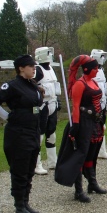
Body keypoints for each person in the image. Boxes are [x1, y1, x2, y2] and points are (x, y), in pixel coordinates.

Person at [0, 54, 43, 213]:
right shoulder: (12, 86)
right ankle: (19, 206)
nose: (34, 68)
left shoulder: (32, 84)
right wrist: (8, 117)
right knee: (19, 169)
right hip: (18, 134)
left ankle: (26, 202)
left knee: (29, 168)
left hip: (32, 131)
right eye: (31, 66)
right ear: (21, 68)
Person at [55, 55, 107, 203]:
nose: (97, 70)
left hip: (95, 122)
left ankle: (92, 183)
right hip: (83, 122)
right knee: (80, 155)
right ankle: (78, 191)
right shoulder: (80, 84)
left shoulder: (94, 82)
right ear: (87, 69)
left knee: (92, 153)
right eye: (95, 68)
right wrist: (76, 126)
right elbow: (76, 106)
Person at [34, 47, 61, 175]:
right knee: (39, 135)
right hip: (42, 105)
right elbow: (30, 84)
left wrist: (58, 101)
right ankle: (36, 164)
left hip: (53, 103)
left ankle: (52, 162)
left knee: (52, 134)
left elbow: (56, 86)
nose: (50, 55)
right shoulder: (38, 70)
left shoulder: (51, 69)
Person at [90, 49, 107, 159]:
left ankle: (101, 150)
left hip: (102, 102)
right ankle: (92, 150)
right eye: (101, 56)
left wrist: (106, 101)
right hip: (94, 103)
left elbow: (103, 88)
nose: (103, 59)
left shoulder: (101, 70)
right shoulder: (90, 70)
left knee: (102, 126)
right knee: (93, 127)